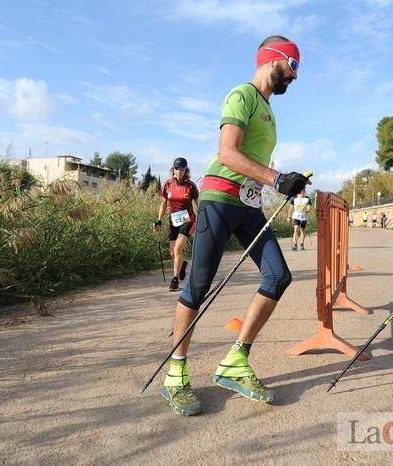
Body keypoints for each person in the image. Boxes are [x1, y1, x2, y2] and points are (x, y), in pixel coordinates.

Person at [160, 35, 309, 416]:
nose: (295, 77)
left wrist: (285, 183)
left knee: (278, 277)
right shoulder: (241, 95)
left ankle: (235, 363)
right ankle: (175, 374)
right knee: (198, 285)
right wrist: (277, 178)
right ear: (273, 59)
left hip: (249, 204)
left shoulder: (270, 112)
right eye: (293, 67)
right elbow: (228, 153)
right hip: (219, 200)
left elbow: (258, 165)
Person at [154, 157, 199, 291]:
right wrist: (159, 220)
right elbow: (164, 204)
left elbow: (199, 204)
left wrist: (203, 218)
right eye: (177, 168)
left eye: (183, 169)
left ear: (186, 171)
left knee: (178, 249)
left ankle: (175, 280)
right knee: (173, 253)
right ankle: (182, 264)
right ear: (173, 169)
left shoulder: (191, 186)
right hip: (174, 220)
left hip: (188, 220)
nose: (179, 171)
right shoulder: (167, 184)